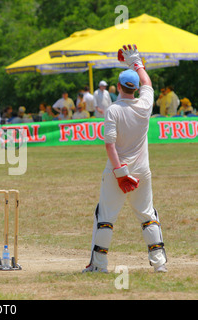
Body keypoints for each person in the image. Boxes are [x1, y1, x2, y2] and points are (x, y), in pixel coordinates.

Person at [83, 44, 167, 274]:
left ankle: (99, 265)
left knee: (106, 217)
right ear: (136, 88)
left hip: (117, 170)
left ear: (117, 87)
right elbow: (148, 83)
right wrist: (137, 63)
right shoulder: (145, 104)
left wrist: (120, 173)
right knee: (147, 215)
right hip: (142, 171)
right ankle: (159, 263)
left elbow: (109, 144)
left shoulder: (113, 109)